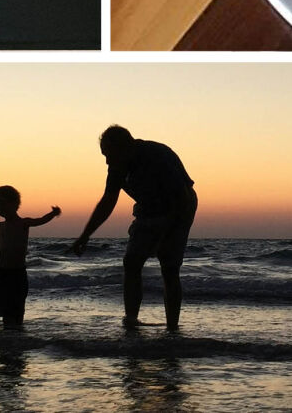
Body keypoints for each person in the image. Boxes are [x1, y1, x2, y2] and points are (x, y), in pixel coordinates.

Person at [70, 125, 197, 330]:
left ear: (126, 147)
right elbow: (108, 201)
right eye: (104, 155)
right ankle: (131, 319)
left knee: (169, 267)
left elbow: (180, 199)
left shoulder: (157, 155)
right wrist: (85, 235)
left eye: (109, 155)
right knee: (131, 262)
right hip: (147, 208)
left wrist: (166, 235)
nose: (107, 161)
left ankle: (172, 327)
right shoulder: (117, 167)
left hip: (179, 205)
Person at [0, 185, 60, 330]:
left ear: (14, 203)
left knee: (18, 308)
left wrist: (53, 214)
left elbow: (40, 220)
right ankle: (8, 340)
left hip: (18, 273)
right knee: (5, 310)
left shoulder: (23, 223)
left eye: (1, 203)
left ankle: (17, 339)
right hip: (2, 273)